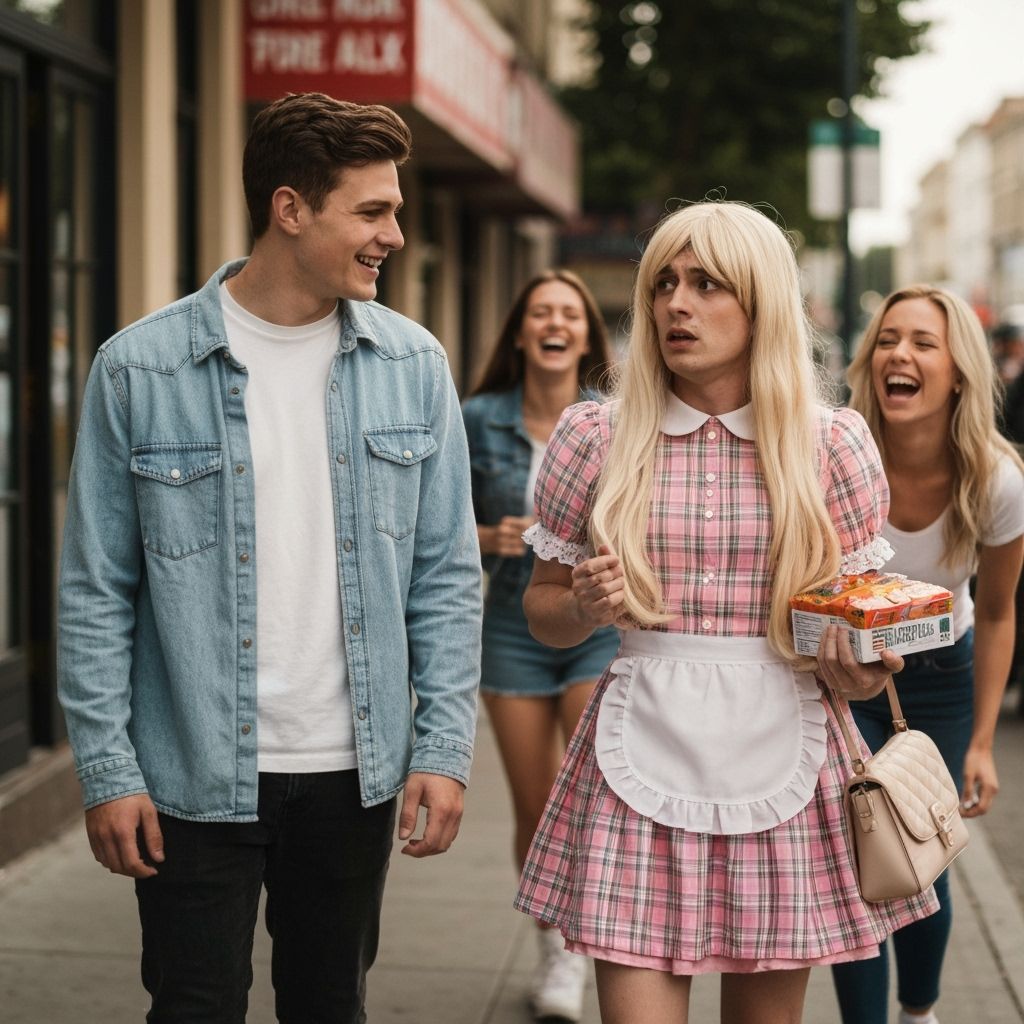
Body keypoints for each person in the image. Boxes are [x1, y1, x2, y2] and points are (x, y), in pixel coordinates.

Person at [56, 92, 482, 1023]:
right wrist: (109, 769)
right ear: (291, 209)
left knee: (330, 1006)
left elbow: (446, 578)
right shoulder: (139, 369)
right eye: (372, 212)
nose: (394, 236)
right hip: (189, 773)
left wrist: (445, 747)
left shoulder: (414, 366)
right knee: (193, 1006)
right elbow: (95, 591)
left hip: (354, 774)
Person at [511, 200, 939, 1024]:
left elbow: (854, 648)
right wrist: (585, 607)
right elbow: (542, 608)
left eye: (707, 284)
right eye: (664, 283)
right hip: (637, 752)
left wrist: (861, 668)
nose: (676, 304)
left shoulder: (831, 444)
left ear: (761, 303)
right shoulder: (596, 436)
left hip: (788, 748)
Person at [831, 285, 1024, 1024]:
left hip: (942, 677)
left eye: (921, 342)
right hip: (847, 675)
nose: (898, 355)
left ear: (958, 372)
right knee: (856, 865)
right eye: (886, 339)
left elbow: (998, 613)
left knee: (921, 854)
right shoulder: (837, 456)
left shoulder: (997, 479)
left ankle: (919, 1012)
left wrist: (982, 744)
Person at [461, 270, 618, 1021]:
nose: (555, 324)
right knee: (538, 804)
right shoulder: (477, 418)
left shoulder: (612, 423)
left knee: (587, 796)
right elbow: (431, 522)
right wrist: (481, 536)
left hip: (593, 625)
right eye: (540, 313)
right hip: (509, 626)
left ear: (586, 336)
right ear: (521, 333)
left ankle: (586, 942)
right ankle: (555, 947)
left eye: (569, 314)